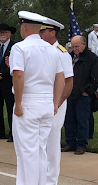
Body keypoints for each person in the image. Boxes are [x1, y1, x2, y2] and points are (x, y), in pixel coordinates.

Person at [10, 11, 65, 185]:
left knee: (27, 152)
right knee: (41, 150)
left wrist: (18, 104)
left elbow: (18, 75)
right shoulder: (52, 49)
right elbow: (60, 78)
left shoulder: (19, 47)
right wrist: (55, 102)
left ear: (24, 27)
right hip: (46, 102)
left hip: (28, 102)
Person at [39, 17, 74, 185]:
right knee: (41, 141)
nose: (40, 33)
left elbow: (69, 81)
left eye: (42, 30)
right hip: (42, 100)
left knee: (52, 142)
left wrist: (57, 103)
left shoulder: (61, 52)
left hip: (56, 102)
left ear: (52, 32)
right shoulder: (42, 50)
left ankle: (51, 180)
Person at [62, 35, 98, 155]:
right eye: (72, 47)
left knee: (82, 120)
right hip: (69, 93)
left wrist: (87, 92)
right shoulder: (70, 57)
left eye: (77, 46)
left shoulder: (92, 58)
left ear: (84, 45)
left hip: (83, 95)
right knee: (69, 120)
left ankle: (81, 145)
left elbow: (97, 79)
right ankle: (70, 143)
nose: (74, 49)